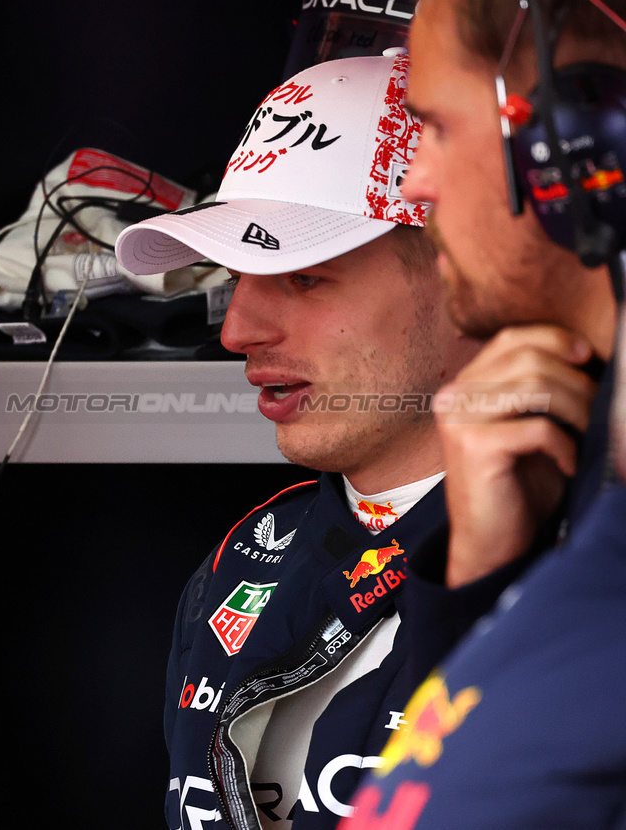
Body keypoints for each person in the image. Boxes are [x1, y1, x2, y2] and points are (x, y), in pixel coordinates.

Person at [115, 51, 480, 830]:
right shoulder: (243, 561)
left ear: (468, 280)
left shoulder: (581, 569)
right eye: (234, 279)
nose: (239, 331)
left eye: (305, 278)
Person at [338, 0, 626, 826]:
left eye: (433, 125)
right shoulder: (579, 440)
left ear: (580, 126)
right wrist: (483, 585)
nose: (413, 181)